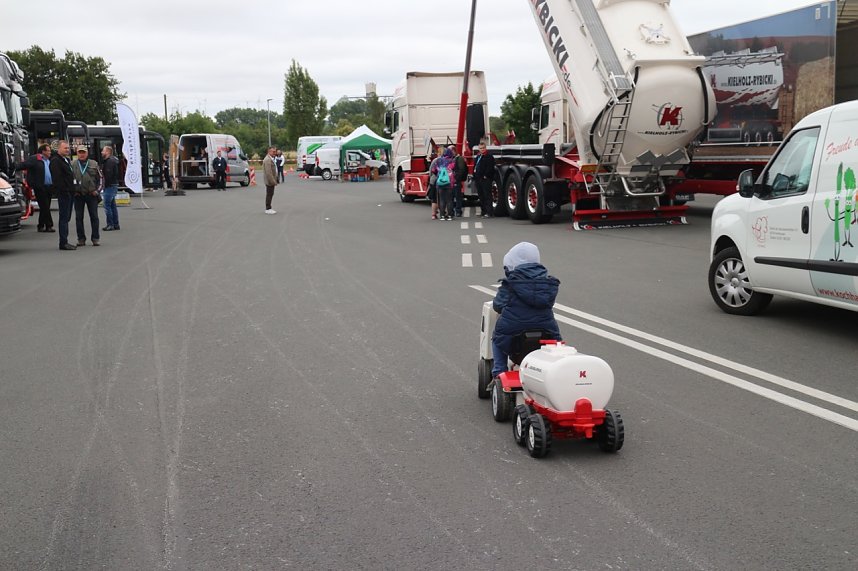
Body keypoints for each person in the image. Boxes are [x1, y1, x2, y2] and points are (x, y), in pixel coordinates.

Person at [491, 242, 562, 380]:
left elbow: (497, 305)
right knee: (557, 344)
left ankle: (499, 371)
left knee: (498, 339)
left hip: (513, 330)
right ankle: (556, 372)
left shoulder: (510, 284)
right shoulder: (548, 283)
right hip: (546, 329)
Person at [16, 144, 55, 232]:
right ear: (43, 151)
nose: (50, 152)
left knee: (45, 207)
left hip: (49, 187)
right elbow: (24, 165)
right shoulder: (35, 159)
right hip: (40, 187)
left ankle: (40, 225)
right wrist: (15, 167)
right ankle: (49, 225)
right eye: (48, 150)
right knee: (45, 206)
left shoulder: (48, 160)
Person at [49, 141, 77, 250]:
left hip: (70, 192)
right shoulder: (56, 161)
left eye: (68, 148)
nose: (67, 150)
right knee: (64, 218)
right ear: (58, 149)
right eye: (65, 148)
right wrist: (65, 191)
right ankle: (63, 242)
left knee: (67, 217)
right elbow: (57, 179)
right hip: (64, 193)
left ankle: (65, 241)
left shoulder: (66, 160)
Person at [72, 145, 102, 246]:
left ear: (87, 153)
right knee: (78, 218)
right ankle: (81, 239)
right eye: (80, 152)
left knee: (94, 217)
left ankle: (95, 238)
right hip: (78, 195)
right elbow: (68, 179)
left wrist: (97, 191)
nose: (82, 154)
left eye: (83, 152)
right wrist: (73, 191)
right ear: (77, 153)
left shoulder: (94, 164)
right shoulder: (73, 164)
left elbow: (101, 179)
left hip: (91, 195)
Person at [431, 147, 456, 221]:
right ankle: (450, 215)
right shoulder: (452, 161)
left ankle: (442, 215)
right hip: (449, 182)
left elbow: (433, 170)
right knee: (449, 200)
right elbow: (455, 169)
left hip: (440, 182)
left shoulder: (438, 161)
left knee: (441, 199)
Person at [473, 141, 496, 218]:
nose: (482, 150)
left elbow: (490, 167)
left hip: (485, 179)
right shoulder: (478, 157)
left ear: (485, 148)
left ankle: (489, 212)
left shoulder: (489, 157)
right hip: (478, 179)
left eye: (483, 148)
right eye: (480, 148)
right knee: (481, 196)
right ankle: (484, 211)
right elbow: (475, 166)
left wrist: (486, 175)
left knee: (487, 196)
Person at [101, 146, 120, 231]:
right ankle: (116, 224)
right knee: (112, 205)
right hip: (113, 184)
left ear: (107, 152)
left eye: (103, 151)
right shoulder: (113, 161)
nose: (102, 152)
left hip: (109, 186)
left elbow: (108, 175)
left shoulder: (109, 162)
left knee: (107, 205)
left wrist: (104, 185)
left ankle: (110, 224)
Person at [427, 146, 443, 220]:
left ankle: (433, 214)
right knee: (443, 198)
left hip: (434, 180)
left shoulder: (435, 160)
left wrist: (431, 179)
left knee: (434, 199)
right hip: (443, 181)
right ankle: (443, 213)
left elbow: (430, 171)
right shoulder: (446, 160)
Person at [452, 145, 468, 217]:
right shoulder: (451, 158)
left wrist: (457, 178)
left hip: (456, 181)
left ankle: (458, 211)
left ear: (454, 151)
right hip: (451, 181)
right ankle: (451, 211)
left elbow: (462, 169)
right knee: (451, 197)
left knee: (458, 196)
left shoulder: (459, 158)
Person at [263, 146, 278, 214]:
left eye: (275, 151)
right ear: (269, 151)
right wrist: (273, 181)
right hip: (269, 181)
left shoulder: (271, 158)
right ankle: (268, 208)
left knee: (270, 194)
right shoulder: (267, 160)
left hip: (271, 180)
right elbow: (268, 172)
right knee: (269, 194)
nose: (275, 153)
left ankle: (269, 207)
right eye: (273, 151)